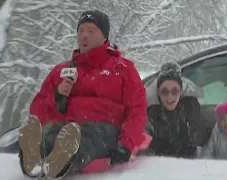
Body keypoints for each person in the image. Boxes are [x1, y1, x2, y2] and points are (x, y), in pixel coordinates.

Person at [18, 10, 147, 179]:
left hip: (104, 128)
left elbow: (137, 109)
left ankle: (61, 161)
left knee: (87, 136)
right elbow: (37, 109)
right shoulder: (61, 71)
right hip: (65, 125)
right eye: (81, 31)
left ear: (104, 36)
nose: (84, 36)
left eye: (91, 31)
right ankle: (35, 158)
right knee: (54, 133)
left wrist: (126, 144)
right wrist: (56, 96)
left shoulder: (123, 69)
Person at [144, 62, 211, 158]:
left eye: (174, 91)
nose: (170, 96)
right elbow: (144, 136)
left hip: (186, 164)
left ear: (181, 92)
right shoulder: (151, 112)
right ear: (158, 93)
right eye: (164, 92)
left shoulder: (190, 106)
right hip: (159, 164)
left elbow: (199, 136)